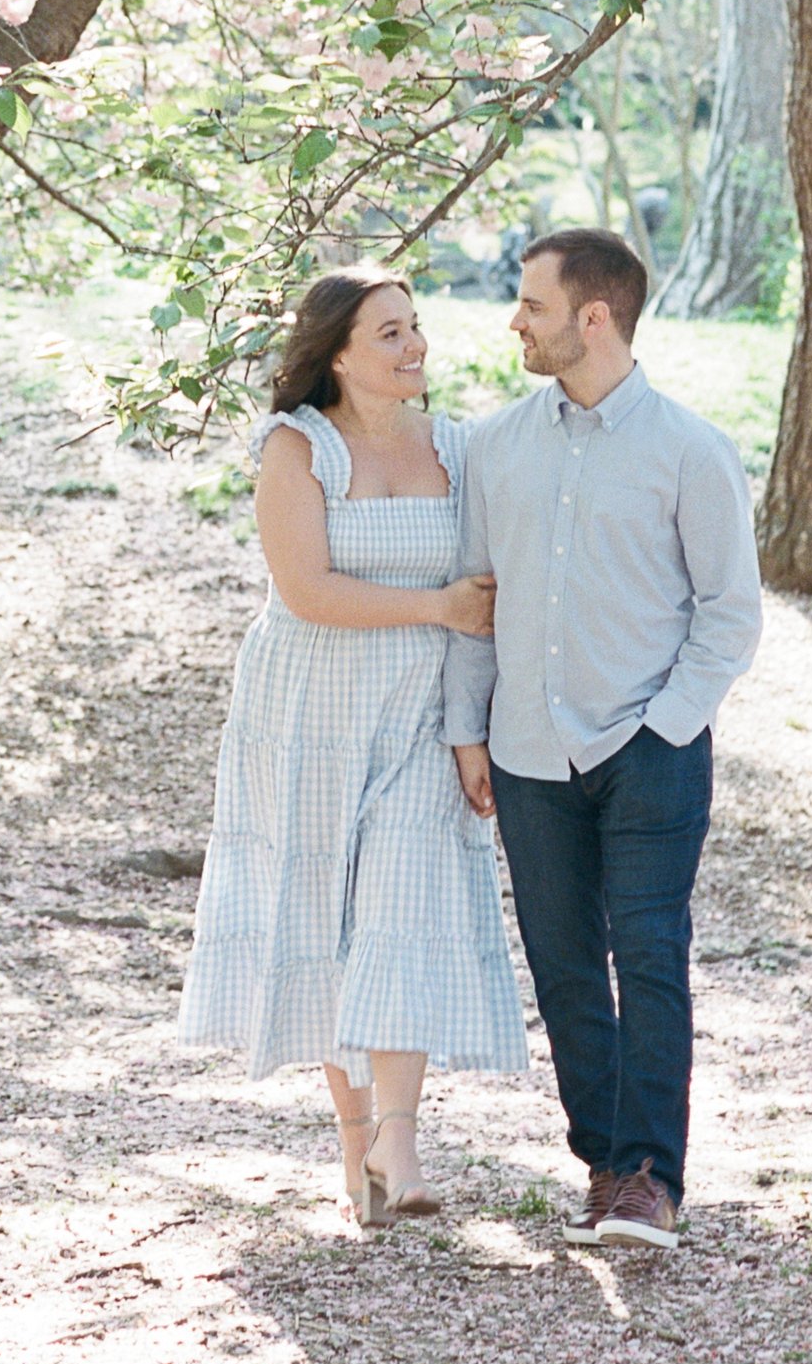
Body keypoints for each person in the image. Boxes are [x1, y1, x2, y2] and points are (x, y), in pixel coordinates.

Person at [180, 268, 526, 1225]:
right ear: (336, 352)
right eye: (388, 333)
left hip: (421, 705)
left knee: (404, 897)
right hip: (311, 709)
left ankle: (402, 1141)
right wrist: (436, 605)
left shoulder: (460, 447)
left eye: (416, 327)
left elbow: (481, 590)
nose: (414, 345)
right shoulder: (298, 448)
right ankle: (355, 1140)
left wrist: (471, 729)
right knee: (326, 913)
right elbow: (308, 589)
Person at [446, 227, 761, 1254]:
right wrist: (467, 727)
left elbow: (729, 613)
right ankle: (604, 1161)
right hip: (529, 751)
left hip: (648, 748)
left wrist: (664, 729)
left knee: (651, 954)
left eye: (530, 303)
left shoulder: (690, 449)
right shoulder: (495, 445)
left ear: (594, 317)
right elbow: (478, 601)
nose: (514, 320)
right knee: (565, 965)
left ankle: (651, 1180)